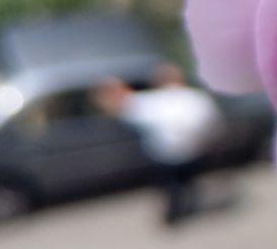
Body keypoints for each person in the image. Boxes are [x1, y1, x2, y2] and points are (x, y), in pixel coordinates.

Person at [94, 64, 223, 225]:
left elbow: (120, 105)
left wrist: (113, 88)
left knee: (173, 188)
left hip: (166, 157)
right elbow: (213, 125)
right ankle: (184, 210)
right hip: (192, 153)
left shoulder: (151, 102)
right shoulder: (195, 98)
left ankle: (175, 216)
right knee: (186, 185)